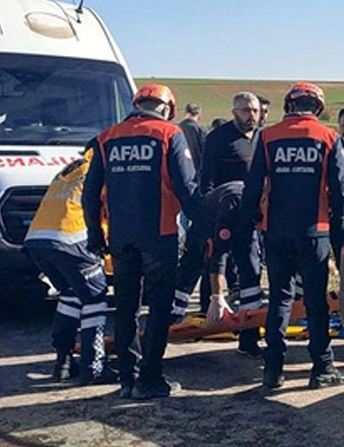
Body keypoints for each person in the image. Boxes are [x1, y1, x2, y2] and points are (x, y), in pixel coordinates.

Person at [82, 84, 198, 400]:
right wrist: (203, 227)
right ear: (167, 108)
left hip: (120, 236)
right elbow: (187, 186)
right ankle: (150, 378)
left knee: (126, 308)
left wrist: (95, 234)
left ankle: (128, 379)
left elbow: (90, 194)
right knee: (158, 307)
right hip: (160, 234)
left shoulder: (107, 138)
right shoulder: (169, 134)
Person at [240, 82, 344, 390]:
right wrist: (338, 230)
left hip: (275, 231)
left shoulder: (268, 136)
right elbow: (341, 188)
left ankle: (273, 368)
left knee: (279, 298)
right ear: (318, 107)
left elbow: (253, 185)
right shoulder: (328, 137)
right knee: (316, 301)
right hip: (314, 231)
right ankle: (322, 367)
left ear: (290, 105)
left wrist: (250, 221)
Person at [23, 149, 113, 384]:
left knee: (71, 294)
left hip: (38, 240)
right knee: (95, 299)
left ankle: (63, 361)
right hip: (71, 239)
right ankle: (93, 366)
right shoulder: (103, 170)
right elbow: (108, 211)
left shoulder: (73, 168)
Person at [196, 92, 265, 356]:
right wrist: (208, 213)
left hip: (252, 216)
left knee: (251, 272)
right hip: (224, 211)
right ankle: (210, 314)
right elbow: (207, 178)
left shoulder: (262, 137)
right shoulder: (219, 138)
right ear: (235, 112)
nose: (252, 116)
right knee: (215, 261)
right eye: (246, 110)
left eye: (255, 110)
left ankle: (249, 337)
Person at [172, 180, 263, 327]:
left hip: (243, 224)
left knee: (251, 269)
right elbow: (219, 253)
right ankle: (171, 318)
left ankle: (250, 324)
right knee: (190, 268)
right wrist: (217, 296)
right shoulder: (232, 204)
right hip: (208, 223)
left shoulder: (263, 202)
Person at [178, 102, 207, 168]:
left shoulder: (177, 128)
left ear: (185, 113)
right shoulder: (201, 129)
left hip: (181, 165)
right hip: (198, 166)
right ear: (199, 115)